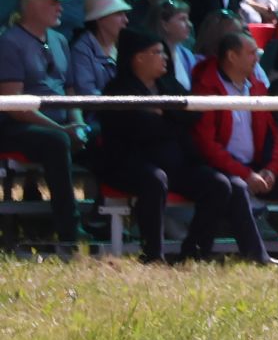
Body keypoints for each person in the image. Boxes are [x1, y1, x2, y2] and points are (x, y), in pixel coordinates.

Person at [93, 28, 246, 263]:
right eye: (156, 52)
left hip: (175, 164)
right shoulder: (117, 91)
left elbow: (192, 116)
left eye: (164, 52)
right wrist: (170, 117)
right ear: (138, 57)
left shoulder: (168, 84)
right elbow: (142, 131)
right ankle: (153, 255)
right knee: (154, 179)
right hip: (130, 165)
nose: (164, 57)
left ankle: (194, 254)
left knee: (218, 184)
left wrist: (162, 114)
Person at [190, 31, 278, 261]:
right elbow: (207, 146)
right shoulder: (206, 88)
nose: (257, 58)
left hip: (257, 168)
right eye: (251, 53)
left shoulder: (258, 87)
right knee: (237, 187)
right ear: (232, 56)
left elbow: (274, 136)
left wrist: (271, 169)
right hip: (221, 169)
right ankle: (257, 257)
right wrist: (246, 174)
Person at [0, 0, 81, 246]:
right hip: (17, 126)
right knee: (56, 142)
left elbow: (71, 91)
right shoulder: (9, 43)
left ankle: (102, 221)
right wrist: (61, 130)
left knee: (104, 134)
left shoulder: (60, 40)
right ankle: (69, 230)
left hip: (58, 122)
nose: (60, 7)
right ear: (31, 5)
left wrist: (78, 124)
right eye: (52, 2)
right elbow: (14, 104)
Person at [67, 0, 131, 131]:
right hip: (99, 121)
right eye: (119, 14)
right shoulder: (82, 50)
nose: (125, 20)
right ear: (101, 19)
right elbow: (87, 94)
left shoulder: (123, 45)